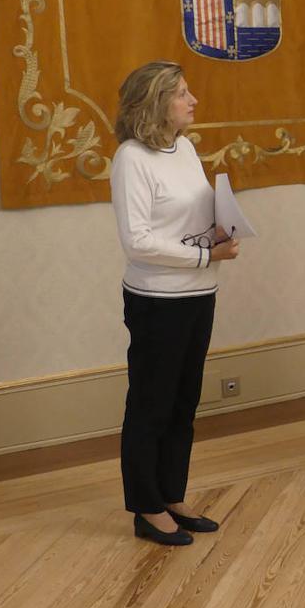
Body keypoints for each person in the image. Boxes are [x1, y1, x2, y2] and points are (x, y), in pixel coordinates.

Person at [110, 61, 240, 546]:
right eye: (183, 94)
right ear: (156, 103)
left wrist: (222, 227)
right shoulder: (131, 159)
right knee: (151, 404)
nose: (194, 101)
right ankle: (146, 506)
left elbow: (191, 213)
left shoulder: (184, 147)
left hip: (199, 293)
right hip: (155, 301)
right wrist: (206, 252)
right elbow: (138, 242)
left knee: (184, 403)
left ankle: (172, 494)